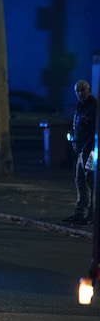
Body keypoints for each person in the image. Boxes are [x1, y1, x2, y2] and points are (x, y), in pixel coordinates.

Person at [64, 80, 96, 225]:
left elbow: (92, 129)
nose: (80, 93)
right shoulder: (79, 106)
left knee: (91, 181)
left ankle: (92, 214)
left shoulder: (93, 106)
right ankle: (80, 213)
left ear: (88, 90)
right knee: (80, 181)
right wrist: (73, 140)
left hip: (90, 151)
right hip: (81, 149)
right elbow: (77, 126)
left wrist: (88, 148)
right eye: (77, 90)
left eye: (83, 90)